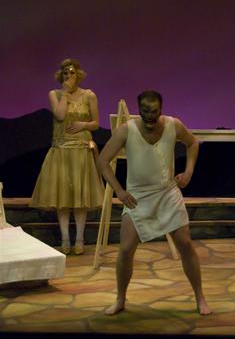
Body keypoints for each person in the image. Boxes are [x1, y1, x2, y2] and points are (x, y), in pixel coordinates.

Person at [96, 90, 211, 316]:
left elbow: (193, 143)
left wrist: (188, 172)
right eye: (145, 111)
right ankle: (120, 298)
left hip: (167, 192)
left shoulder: (173, 125)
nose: (150, 116)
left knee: (185, 244)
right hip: (138, 197)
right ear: (139, 109)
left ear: (161, 109)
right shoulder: (126, 130)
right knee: (126, 249)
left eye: (154, 112)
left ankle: (200, 297)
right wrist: (119, 190)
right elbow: (102, 160)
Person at [30, 58, 104, 255]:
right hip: (62, 150)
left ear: (78, 74)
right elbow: (61, 116)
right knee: (62, 198)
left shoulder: (89, 95)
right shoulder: (54, 94)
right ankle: (65, 238)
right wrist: (64, 93)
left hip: (81, 151)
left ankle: (79, 238)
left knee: (80, 199)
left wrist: (83, 125)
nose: (69, 76)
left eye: (72, 73)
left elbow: (96, 122)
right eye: (65, 73)